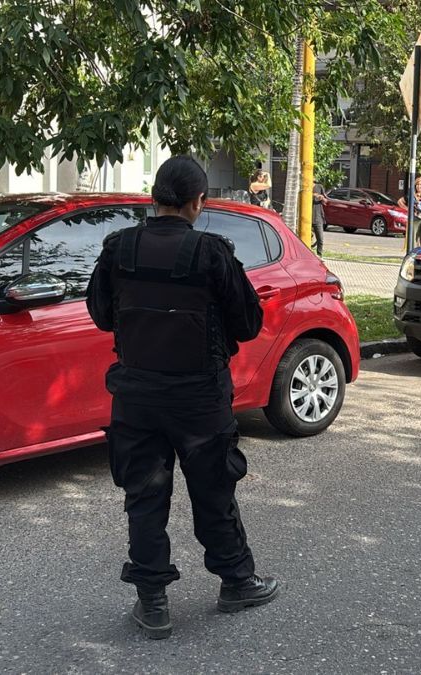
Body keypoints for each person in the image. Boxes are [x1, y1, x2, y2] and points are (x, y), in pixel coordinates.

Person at [87, 155, 279, 640]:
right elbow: (248, 324)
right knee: (214, 492)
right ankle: (237, 582)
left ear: (154, 198)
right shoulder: (212, 253)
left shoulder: (118, 248)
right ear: (198, 202)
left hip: (137, 398)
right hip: (199, 400)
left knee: (144, 498)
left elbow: (101, 314)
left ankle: (152, 603)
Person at [311, 182, 327, 256]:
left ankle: (319, 255)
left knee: (320, 238)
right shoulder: (304, 187)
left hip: (318, 217)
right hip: (306, 218)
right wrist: (312, 195)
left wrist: (322, 198)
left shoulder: (319, 187)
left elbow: (326, 201)